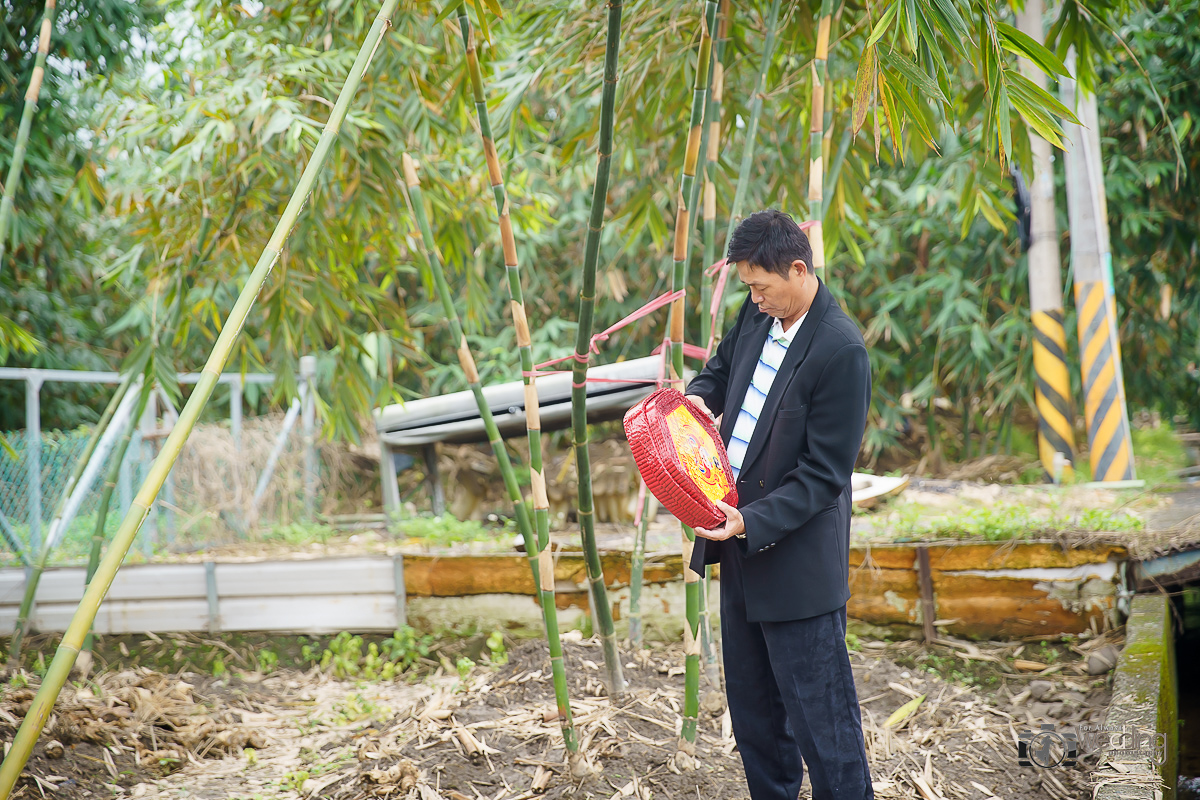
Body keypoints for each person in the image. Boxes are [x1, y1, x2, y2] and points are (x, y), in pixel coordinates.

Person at [684, 209, 874, 800]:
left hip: (794, 564)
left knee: (825, 728)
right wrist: (688, 407)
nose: (755, 297)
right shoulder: (758, 312)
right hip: (738, 547)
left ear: (798, 269)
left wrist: (750, 520)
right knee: (756, 721)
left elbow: (824, 475)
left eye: (761, 286)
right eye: (747, 287)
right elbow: (718, 373)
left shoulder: (841, 351)